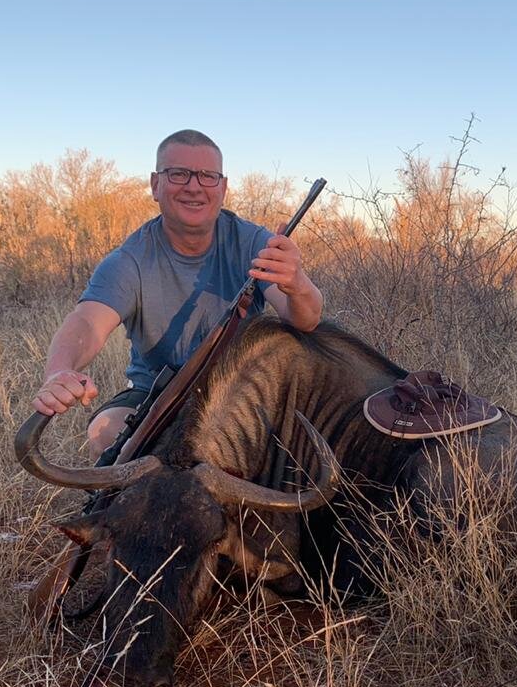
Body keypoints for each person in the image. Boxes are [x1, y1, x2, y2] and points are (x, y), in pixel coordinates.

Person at [30, 129, 323, 459]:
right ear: (156, 185)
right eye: (179, 174)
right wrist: (59, 371)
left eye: (207, 176)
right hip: (156, 394)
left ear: (223, 188)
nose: (194, 186)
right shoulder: (129, 260)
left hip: (241, 390)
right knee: (105, 431)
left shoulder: (253, 241)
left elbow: (307, 319)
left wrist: (297, 284)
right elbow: (87, 323)